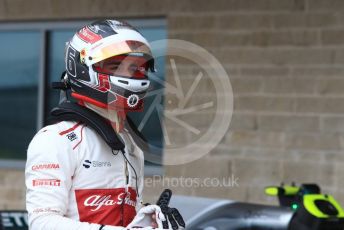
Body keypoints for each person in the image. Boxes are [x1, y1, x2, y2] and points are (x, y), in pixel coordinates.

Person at [25, 19, 184, 230]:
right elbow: (42, 223)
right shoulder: (55, 140)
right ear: (82, 68)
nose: (129, 75)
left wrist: (147, 220)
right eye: (116, 66)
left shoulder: (130, 142)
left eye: (136, 68)